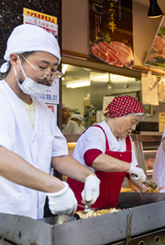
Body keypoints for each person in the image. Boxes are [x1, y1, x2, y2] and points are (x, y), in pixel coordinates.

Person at [0, 24, 100, 219]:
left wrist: (88, 176)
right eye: (42, 67)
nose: (48, 77)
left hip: (32, 214)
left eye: (54, 70)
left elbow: (58, 156)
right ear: (15, 59)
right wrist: (54, 185)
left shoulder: (43, 110)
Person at [67, 95, 147, 210]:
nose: (134, 127)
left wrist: (143, 186)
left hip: (109, 204)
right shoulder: (96, 132)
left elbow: (132, 172)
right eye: (133, 122)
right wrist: (129, 167)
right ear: (118, 115)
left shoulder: (127, 139)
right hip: (84, 203)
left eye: (136, 124)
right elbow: (93, 159)